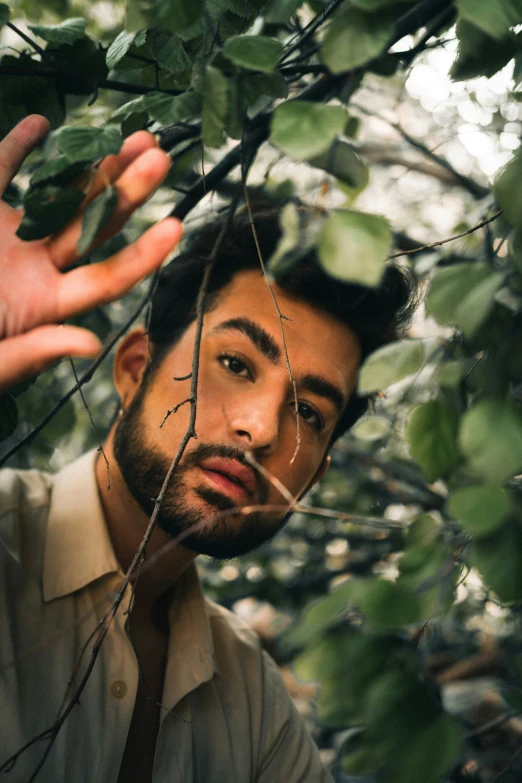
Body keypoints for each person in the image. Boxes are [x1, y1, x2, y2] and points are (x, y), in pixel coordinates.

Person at [0, 116, 416, 782]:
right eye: (236, 362)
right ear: (136, 366)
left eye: (309, 411)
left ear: (318, 470)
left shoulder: (254, 700)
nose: (262, 427)